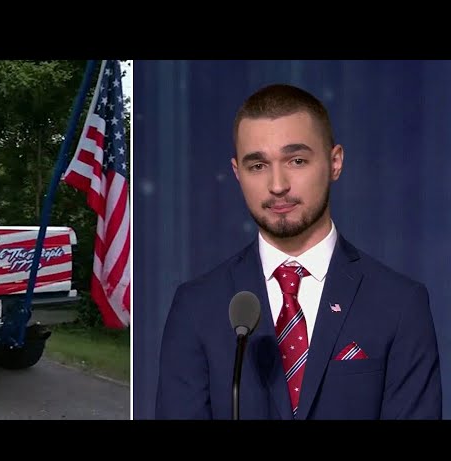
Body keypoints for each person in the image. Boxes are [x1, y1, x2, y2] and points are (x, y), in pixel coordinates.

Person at [155, 83, 442, 420]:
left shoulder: (400, 303)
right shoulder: (196, 306)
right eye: (258, 166)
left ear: (335, 162)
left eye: (297, 160)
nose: (278, 185)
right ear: (237, 173)